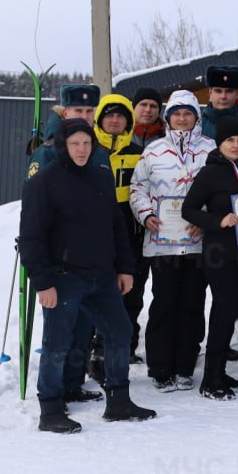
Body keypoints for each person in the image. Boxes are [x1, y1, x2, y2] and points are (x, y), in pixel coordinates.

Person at [19, 118, 156, 433]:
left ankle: (119, 400)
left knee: (120, 331)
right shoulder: (44, 183)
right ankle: (50, 409)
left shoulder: (100, 178)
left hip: (102, 277)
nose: (81, 149)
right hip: (63, 278)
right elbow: (31, 237)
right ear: (64, 146)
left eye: (86, 143)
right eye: (74, 143)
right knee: (57, 343)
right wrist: (43, 282)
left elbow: (116, 227)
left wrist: (124, 268)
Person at [128, 89, 213, 392]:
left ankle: (185, 366)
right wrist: (146, 214)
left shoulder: (210, 150)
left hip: (196, 242)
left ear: (196, 117)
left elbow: (220, 190)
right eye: (176, 113)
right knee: (164, 304)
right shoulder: (153, 151)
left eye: (187, 113)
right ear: (168, 118)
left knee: (192, 303)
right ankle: (160, 368)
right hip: (161, 241)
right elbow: (137, 188)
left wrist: (205, 221)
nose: (181, 118)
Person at [181, 116, 238, 400]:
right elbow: (189, 210)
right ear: (220, 144)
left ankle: (221, 371)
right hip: (218, 252)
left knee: (230, 313)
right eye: (230, 141)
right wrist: (217, 220)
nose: (236, 145)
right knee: (223, 311)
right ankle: (210, 379)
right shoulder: (210, 172)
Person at [92, 94, 145, 369]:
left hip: (130, 237)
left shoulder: (138, 153)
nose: (114, 120)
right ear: (100, 119)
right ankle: (96, 350)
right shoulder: (87, 150)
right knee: (98, 296)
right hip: (95, 237)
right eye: (109, 115)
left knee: (131, 296)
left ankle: (125, 347)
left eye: (120, 116)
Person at [200, 66, 238, 141]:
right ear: (210, 92)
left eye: (229, 91)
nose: (223, 96)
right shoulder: (195, 129)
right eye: (218, 91)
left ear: (236, 93)